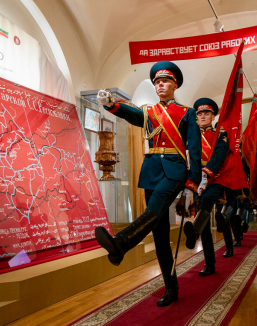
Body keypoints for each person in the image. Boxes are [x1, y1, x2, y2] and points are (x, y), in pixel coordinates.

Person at [94, 61, 201, 307]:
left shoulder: (187, 113)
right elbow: (132, 114)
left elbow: (194, 151)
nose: (160, 85)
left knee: (152, 211)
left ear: (175, 84)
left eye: (164, 81)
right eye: (156, 82)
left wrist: (191, 185)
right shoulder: (150, 113)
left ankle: (120, 244)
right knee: (160, 234)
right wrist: (111, 104)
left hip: (174, 170)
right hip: (151, 171)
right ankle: (171, 288)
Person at [183, 98, 239, 277]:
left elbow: (220, 155)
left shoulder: (220, 134)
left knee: (208, 204)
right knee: (204, 220)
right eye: (199, 113)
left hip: (216, 178)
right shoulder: (192, 135)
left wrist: (207, 173)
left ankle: (198, 233)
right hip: (197, 179)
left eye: (206, 113)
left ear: (213, 115)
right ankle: (209, 263)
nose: (202, 116)